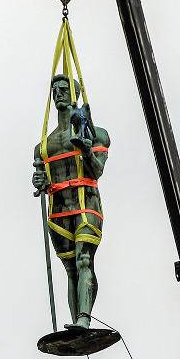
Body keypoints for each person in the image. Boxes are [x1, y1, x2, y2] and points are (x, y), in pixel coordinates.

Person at [32, 73, 111, 330]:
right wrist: (40, 182)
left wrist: (86, 149)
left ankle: (84, 319)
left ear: (75, 93)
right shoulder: (44, 146)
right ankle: (77, 322)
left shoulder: (97, 134)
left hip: (86, 205)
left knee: (84, 260)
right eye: (55, 90)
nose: (59, 94)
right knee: (70, 269)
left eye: (64, 89)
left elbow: (96, 171)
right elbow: (44, 181)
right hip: (59, 211)